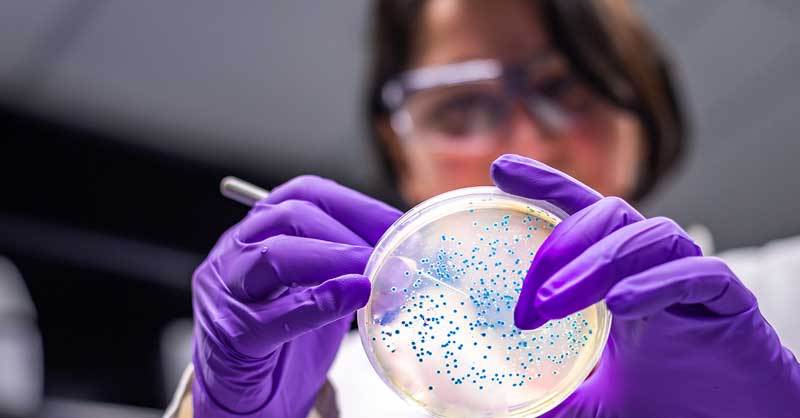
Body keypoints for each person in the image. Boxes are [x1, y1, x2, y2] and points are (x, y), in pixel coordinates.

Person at [165, 0, 800, 417]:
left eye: (565, 88)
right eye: (460, 107)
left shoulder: (786, 293)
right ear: (401, 150)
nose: (525, 142)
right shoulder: (359, 386)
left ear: (644, 116)